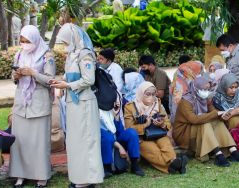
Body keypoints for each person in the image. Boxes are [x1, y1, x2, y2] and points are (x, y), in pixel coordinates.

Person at [53, 23, 104, 188]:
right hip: (73, 104)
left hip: (84, 104)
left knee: (87, 141)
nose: (64, 45)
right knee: (75, 142)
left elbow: (89, 80)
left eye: (66, 41)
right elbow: (71, 77)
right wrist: (62, 82)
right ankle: (78, 178)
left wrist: (66, 86)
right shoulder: (72, 55)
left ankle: (89, 180)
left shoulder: (85, 55)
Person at [9, 25, 55, 187]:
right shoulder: (19, 54)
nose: (24, 44)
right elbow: (14, 78)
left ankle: (41, 175)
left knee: (39, 143)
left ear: (35, 39)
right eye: (21, 41)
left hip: (39, 105)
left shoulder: (47, 55)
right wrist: (16, 75)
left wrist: (33, 73)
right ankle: (20, 174)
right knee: (20, 142)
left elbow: (50, 80)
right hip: (22, 104)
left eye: (27, 41)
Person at [173, 77, 239, 166]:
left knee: (217, 122)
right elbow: (193, 119)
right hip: (184, 133)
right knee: (205, 123)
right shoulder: (186, 101)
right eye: (204, 89)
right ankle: (218, 155)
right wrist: (216, 114)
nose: (206, 91)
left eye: (208, 89)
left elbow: (213, 112)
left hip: (197, 130)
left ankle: (233, 150)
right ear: (196, 88)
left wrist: (223, 115)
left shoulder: (204, 99)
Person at [124, 81, 188, 174]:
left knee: (166, 145)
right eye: (148, 94)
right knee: (153, 151)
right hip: (142, 138)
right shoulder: (131, 107)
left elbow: (167, 122)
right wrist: (145, 125)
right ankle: (173, 166)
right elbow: (129, 127)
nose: (151, 97)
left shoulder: (157, 103)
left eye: (154, 94)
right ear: (141, 93)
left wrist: (161, 124)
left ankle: (173, 162)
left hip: (158, 133)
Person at [100, 99, 144, 178]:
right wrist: (119, 147)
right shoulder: (94, 109)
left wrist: (116, 116)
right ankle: (107, 168)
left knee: (131, 132)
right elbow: (101, 133)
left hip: (115, 139)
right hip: (104, 141)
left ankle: (134, 164)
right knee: (107, 137)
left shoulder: (111, 109)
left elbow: (119, 132)